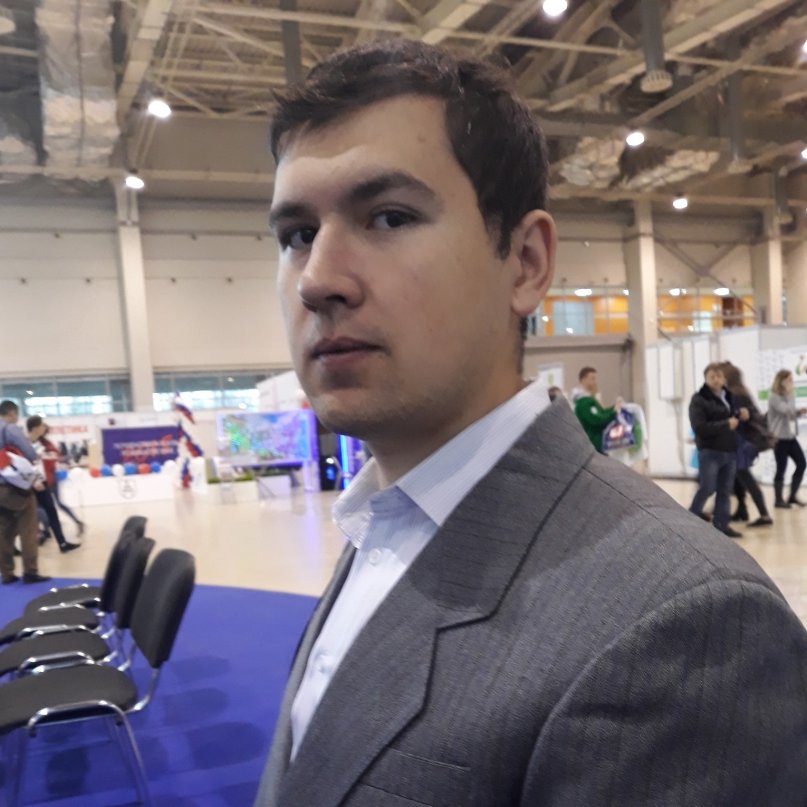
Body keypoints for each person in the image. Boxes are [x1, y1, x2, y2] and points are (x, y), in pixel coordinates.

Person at [255, 40, 807, 807]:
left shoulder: (687, 625)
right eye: (296, 234)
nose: (317, 279)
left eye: (388, 216)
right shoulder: (383, 520)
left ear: (524, 263)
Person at [688, 363, 749, 538]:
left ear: (724, 379)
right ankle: (688, 521)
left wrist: (740, 414)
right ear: (706, 379)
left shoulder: (727, 397)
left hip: (729, 451)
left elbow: (730, 418)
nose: (716, 380)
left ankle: (722, 525)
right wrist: (725, 424)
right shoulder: (699, 400)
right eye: (712, 377)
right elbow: (700, 427)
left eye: (719, 376)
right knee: (707, 488)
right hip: (710, 452)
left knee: (725, 491)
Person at [0, 400, 50, 584]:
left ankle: (7, 573)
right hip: (15, 487)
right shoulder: (10, 429)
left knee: (4, 531)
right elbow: (29, 453)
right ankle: (30, 571)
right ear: (12, 413)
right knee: (28, 529)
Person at [720, 363, 773, 527]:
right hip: (745, 442)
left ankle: (764, 515)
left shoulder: (735, 395)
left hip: (742, 443)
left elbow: (737, 420)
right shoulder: (742, 392)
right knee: (739, 477)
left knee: (746, 478)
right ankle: (742, 510)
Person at [25, 416, 80, 553]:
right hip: (29, 484)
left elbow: (50, 458)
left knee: (52, 511)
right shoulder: (24, 443)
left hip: (42, 483)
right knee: (29, 515)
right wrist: (34, 480)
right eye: (41, 425)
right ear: (35, 428)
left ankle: (62, 543)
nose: (44, 427)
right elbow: (24, 464)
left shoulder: (42, 443)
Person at [768, 368, 807, 508]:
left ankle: (792, 496)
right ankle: (778, 500)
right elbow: (786, 410)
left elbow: (791, 413)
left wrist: (799, 412)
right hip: (779, 438)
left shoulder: (789, 394)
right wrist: (790, 395)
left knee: (802, 463)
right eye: (789, 380)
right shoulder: (774, 396)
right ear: (781, 381)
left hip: (790, 436)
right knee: (781, 468)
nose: (791, 382)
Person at [40, 424, 85, 535]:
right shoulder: (46, 444)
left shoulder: (44, 445)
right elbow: (57, 457)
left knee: (44, 505)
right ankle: (75, 522)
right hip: (49, 477)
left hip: (48, 478)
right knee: (53, 504)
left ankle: (47, 528)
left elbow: (54, 458)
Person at [573, 366, 622, 452]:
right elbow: (596, 420)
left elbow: (601, 413)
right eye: (592, 378)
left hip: (598, 445)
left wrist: (614, 407)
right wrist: (614, 412)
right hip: (592, 446)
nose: (595, 382)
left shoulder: (589, 399)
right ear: (584, 379)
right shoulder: (583, 402)